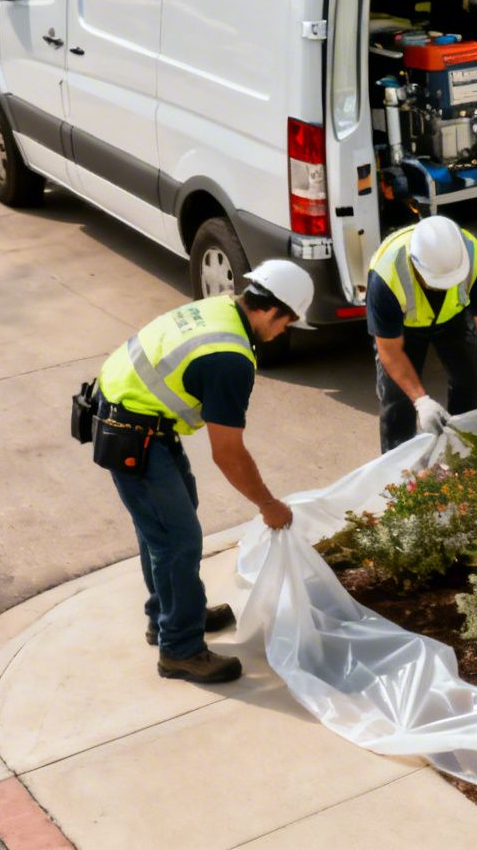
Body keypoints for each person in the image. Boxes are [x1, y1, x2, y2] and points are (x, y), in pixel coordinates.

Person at [91, 260, 308, 683]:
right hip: (133, 431)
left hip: (135, 417)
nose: (284, 332)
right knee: (178, 540)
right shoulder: (229, 359)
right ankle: (181, 650)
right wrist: (269, 505)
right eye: (288, 323)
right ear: (271, 310)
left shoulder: (220, 307)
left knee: (167, 529)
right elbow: (228, 453)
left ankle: (170, 616)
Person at [367, 215, 477, 451]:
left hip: (452, 317)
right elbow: (389, 351)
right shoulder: (386, 275)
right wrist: (421, 401)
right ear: (416, 265)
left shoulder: (474, 256)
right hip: (406, 328)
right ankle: (398, 475)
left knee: (471, 384)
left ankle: (463, 458)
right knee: (398, 402)